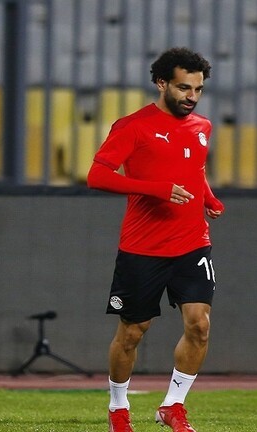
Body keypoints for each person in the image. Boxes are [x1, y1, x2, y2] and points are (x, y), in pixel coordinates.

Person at [87, 47, 224, 432]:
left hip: (192, 243)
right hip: (143, 248)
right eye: (184, 88)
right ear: (161, 83)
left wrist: (208, 198)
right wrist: (156, 189)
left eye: (198, 89)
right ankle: (118, 407)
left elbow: (194, 168)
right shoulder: (133, 126)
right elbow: (97, 175)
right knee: (132, 332)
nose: (192, 96)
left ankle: (173, 406)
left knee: (200, 325)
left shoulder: (202, 127)